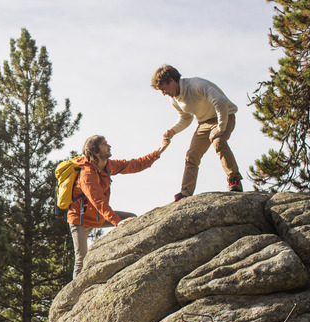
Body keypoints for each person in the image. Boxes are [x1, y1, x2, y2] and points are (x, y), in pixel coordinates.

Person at [68, 135, 168, 278]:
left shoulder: (108, 165)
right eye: (104, 144)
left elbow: (134, 165)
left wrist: (158, 152)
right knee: (81, 261)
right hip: (80, 221)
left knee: (132, 219)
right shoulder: (87, 173)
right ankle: (73, 298)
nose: (109, 146)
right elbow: (98, 201)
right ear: (95, 151)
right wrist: (117, 221)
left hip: (99, 216)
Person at [151, 64, 243, 202]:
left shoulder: (196, 85)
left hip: (225, 115)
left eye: (164, 89)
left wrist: (220, 127)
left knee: (219, 142)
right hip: (204, 123)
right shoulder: (174, 99)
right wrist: (173, 130)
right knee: (191, 155)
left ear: (172, 80)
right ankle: (185, 193)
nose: (163, 93)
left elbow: (220, 101)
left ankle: (234, 179)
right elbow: (186, 117)